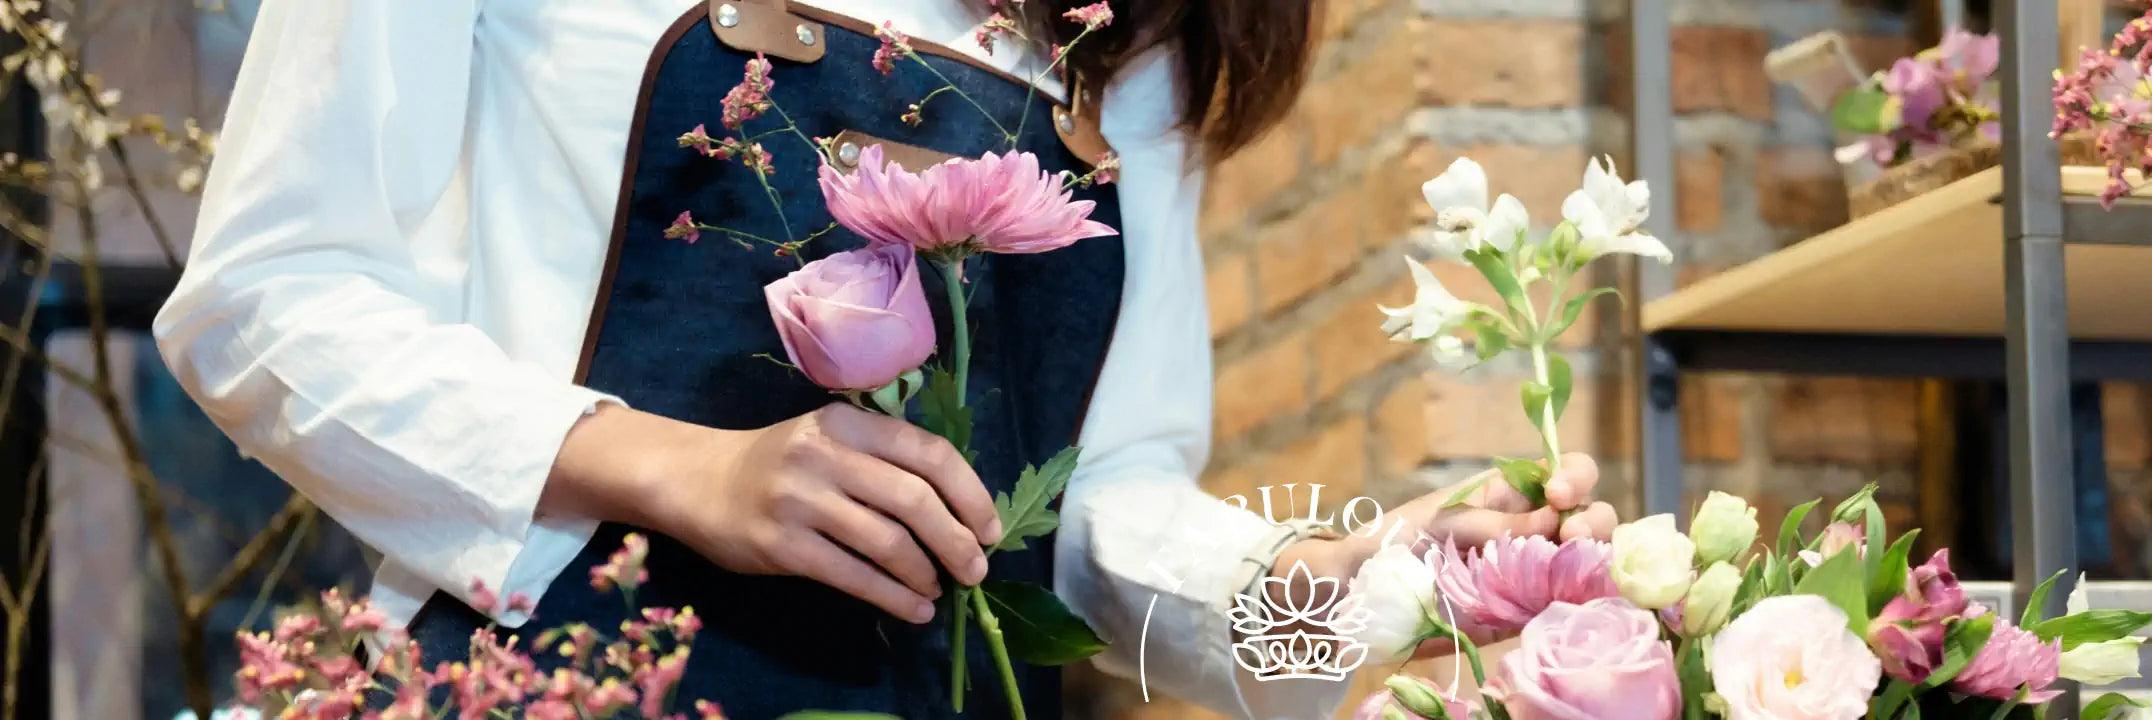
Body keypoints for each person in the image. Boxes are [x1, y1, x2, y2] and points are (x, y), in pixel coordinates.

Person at [154, 1, 1621, 717]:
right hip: (556, 681)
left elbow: (1090, 507)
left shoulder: (1130, 38)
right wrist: (687, 469)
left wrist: (1347, 598)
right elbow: (270, 295)